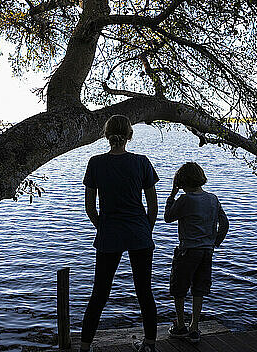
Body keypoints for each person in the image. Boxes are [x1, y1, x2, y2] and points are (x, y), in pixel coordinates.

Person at [80, 115, 159, 352]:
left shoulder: (95, 163)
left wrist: (102, 227)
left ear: (106, 135)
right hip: (139, 232)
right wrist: (146, 229)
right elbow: (153, 206)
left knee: (99, 294)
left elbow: (90, 208)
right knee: (144, 291)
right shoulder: (142, 162)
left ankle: (84, 347)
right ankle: (150, 345)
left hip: (110, 234)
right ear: (129, 135)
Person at [164, 162, 229, 344]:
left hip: (187, 251)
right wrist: (215, 242)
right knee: (199, 288)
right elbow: (224, 223)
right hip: (206, 252)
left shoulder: (185, 200)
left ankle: (180, 326)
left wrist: (172, 196)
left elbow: (168, 217)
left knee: (179, 288)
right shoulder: (213, 199)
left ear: (181, 182)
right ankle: (194, 327)